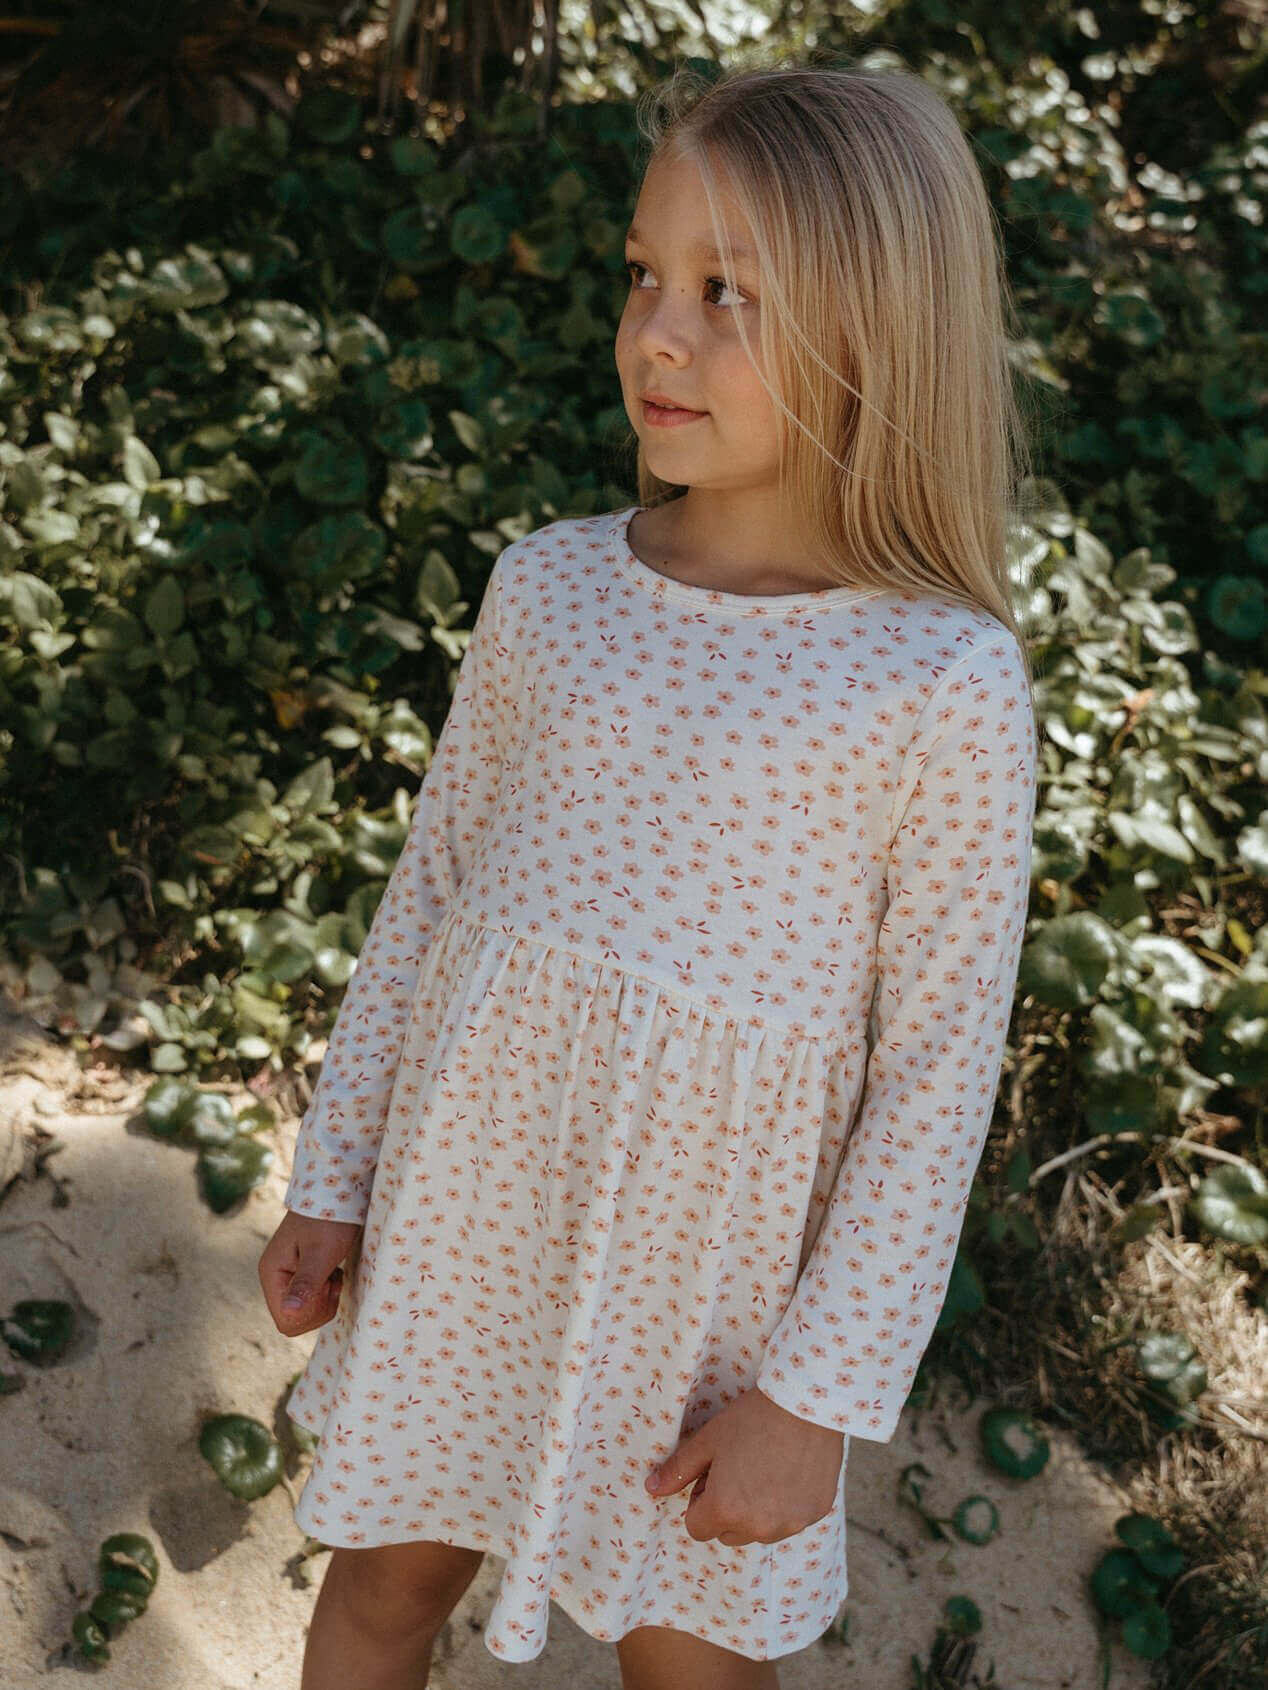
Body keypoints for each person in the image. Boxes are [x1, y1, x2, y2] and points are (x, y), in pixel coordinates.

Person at [258, 55, 1042, 1690]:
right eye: (641, 274)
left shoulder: (940, 682)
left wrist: (815, 1400)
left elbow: (935, 1073)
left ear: (879, 334)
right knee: (381, 1586)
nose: (656, 335)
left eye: (724, 293)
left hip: (712, 1311)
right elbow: (432, 891)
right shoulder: (548, 590)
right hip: (468, 1217)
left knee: (690, 1662)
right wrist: (337, 1170)